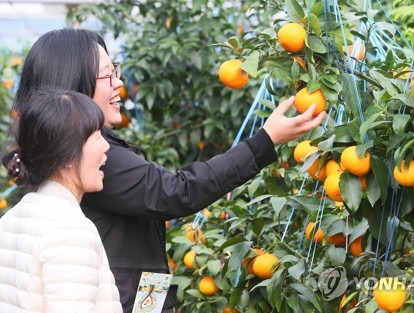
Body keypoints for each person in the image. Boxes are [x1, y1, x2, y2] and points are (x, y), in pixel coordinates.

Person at [6, 28, 326, 312]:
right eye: (108, 75)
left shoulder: (45, 189)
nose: (119, 83)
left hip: (142, 294)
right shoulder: (94, 160)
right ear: (74, 86)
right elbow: (177, 191)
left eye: (116, 70)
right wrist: (265, 142)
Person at [0, 88, 122, 312]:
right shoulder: (71, 230)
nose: (106, 146)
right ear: (67, 156)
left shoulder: (11, 220)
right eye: (96, 136)